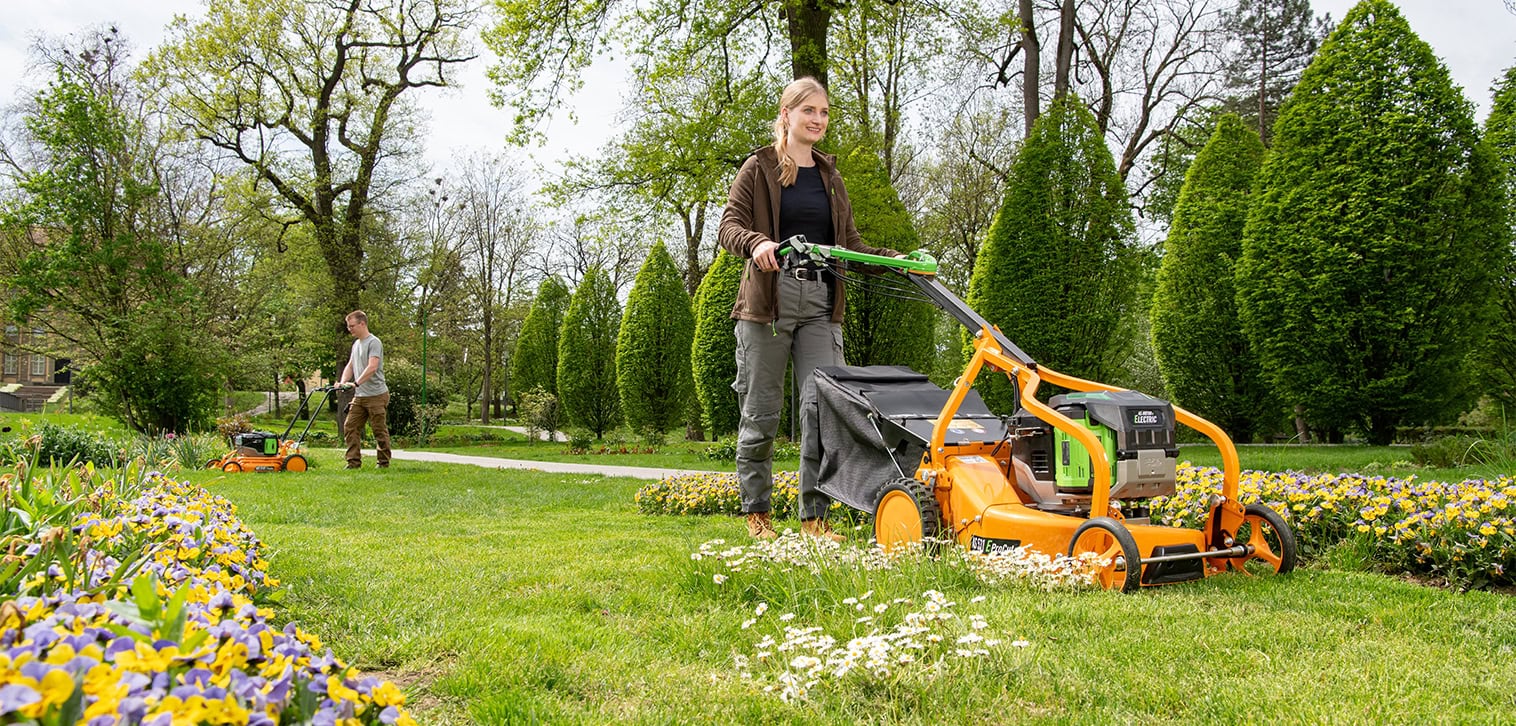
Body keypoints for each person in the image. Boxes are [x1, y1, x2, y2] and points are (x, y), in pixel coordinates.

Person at [717, 76, 904, 542]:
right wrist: (758, 242)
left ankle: (814, 521)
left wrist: (896, 262)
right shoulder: (758, 167)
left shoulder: (830, 177)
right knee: (760, 414)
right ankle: (757, 516)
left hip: (821, 303)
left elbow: (851, 246)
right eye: (809, 112)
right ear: (787, 115)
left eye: (823, 113)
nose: (818, 120)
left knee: (823, 413)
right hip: (769, 307)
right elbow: (729, 226)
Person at [338, 310, 390, 469]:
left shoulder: (374, 342)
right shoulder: (356, 344)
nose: (350, 329)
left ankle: (383, 462)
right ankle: (353, 462)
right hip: (360, 396)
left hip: (376, 394)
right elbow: (351, 365)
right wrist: (343, 382)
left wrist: (356, 383)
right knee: (350, 426)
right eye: (348, 327)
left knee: (378, 430)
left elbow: (372, 367)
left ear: (362, 324)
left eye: (352, 326)